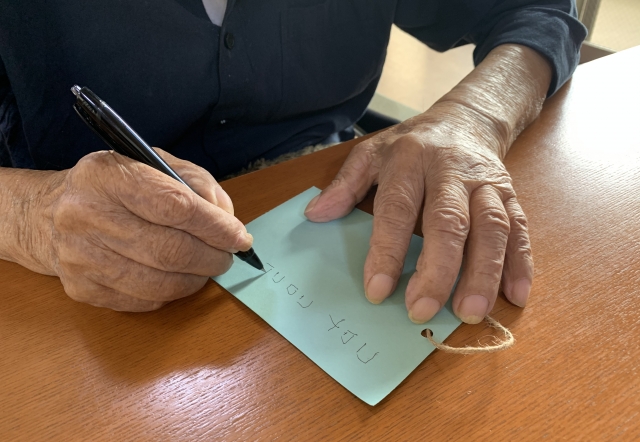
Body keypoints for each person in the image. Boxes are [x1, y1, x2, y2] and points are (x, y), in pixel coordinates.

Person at [0, 0, 586, 321]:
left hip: (333, 186)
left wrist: (473, 118)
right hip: (68, 276)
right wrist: (32, 217)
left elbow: (536, 11)